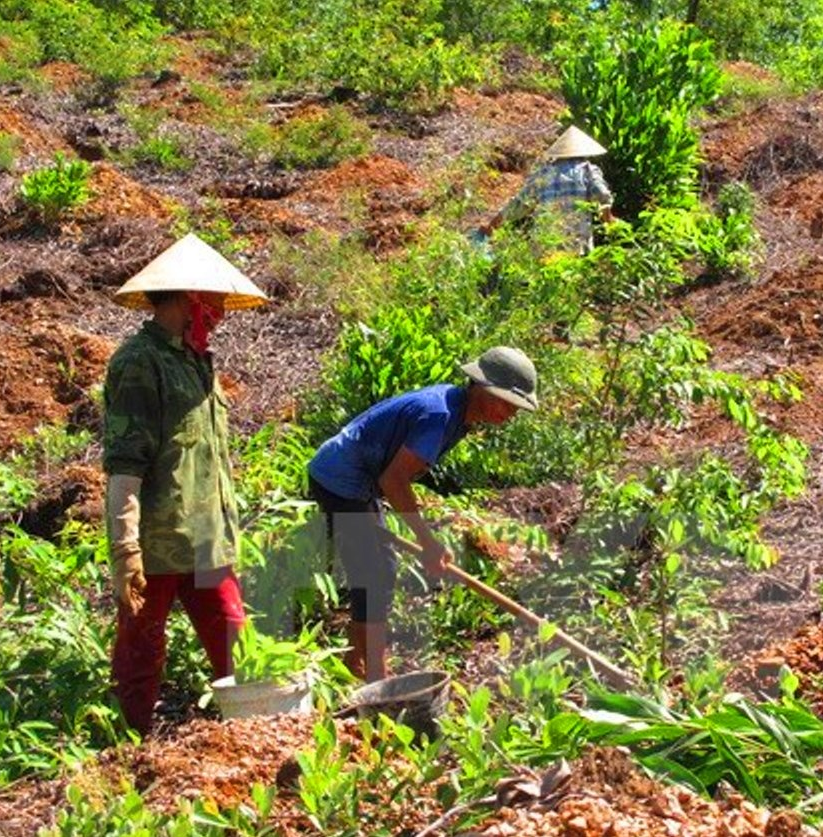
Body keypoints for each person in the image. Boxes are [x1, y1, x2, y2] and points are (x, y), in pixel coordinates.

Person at [103, 233, 268, 735]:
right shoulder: (138, 362)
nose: (220, 312)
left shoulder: (198, 361)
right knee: (141, 649)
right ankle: (127, 749)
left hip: (206, 542)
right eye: (213, 302)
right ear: (187, 298)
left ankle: (251, 734)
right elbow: (125, 464)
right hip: (158, 542)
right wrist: (125, 549)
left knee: (237, 642)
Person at [307, 346, 538, 682]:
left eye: (515, 407)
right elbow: (394, 480)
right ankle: (374, 677)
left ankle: (356, 663)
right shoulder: (439, 416)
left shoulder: (455, 411)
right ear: (481, 388)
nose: (511, 413)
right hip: (341, 480)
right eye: (506, 402)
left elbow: (392, 474)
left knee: (376, 573)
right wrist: (429, 543)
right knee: (374, 574)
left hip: (355, 479)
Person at [483, 125, 614, 255]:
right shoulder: (588, 170)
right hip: (578, 248)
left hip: (546, 248)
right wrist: (609, 222)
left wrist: (490, 227)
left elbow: (518, 205)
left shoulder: (542, 173)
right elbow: (602, 195)